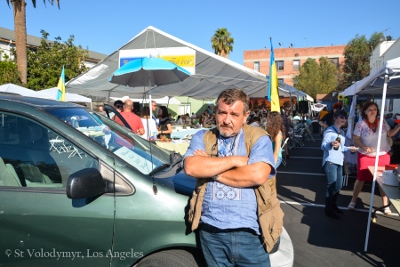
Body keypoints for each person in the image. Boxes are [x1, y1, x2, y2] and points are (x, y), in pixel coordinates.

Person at [183, 88, 277, 267]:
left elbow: (257, 175)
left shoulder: (258, 138)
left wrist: (210, 167)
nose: (226, 120)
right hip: (211, 234)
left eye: (234, 114)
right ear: (215, 112)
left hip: (250, 234)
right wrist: (235, 160)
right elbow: (191, 166)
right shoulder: (202, 137)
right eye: (222, 113)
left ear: (246, 115)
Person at [348, 102, 400, 214]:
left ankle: (385, 204)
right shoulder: (360, 124)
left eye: (375, 109)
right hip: (366, 155)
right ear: (365, 112)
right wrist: (364, 147)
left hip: (382, 154)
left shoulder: (382, 122)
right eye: (370, 109)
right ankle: (353, 200)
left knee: (383, 179)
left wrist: (399, 127)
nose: (373, 111)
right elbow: (356, 138)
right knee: (361, 177)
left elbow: (389, 134)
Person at [321, 110, 357, 219]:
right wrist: (330, 144)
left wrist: (350, 149)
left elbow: (341, 147)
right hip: (330, 161)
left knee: (338, 185)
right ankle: (328, 209)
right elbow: (323, 146)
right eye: (341, 117)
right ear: (335, 117)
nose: (344, 119)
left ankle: (333, 204)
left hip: (339, 161)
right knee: (331, 185)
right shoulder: (329, 131)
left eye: (345, 118)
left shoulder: (342, 132)